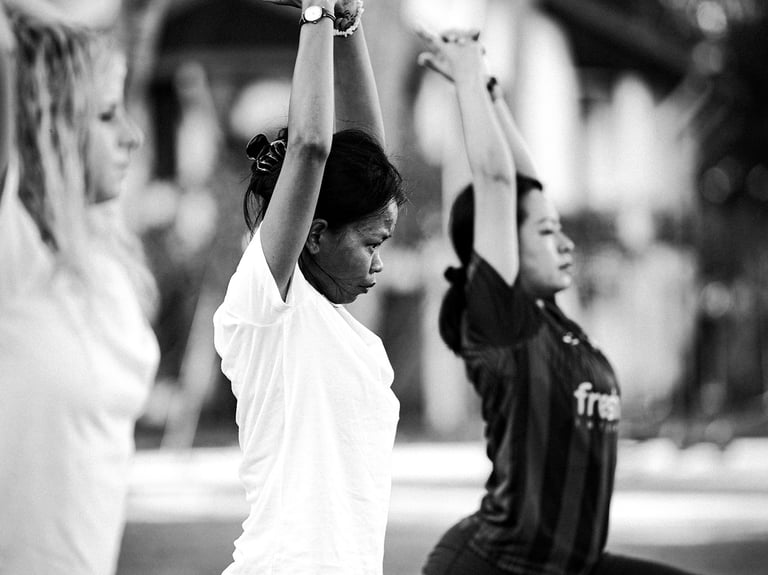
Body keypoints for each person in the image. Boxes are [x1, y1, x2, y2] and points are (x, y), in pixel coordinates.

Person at [417, 29, 698, 575]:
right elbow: (498, 182)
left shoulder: (554, 324)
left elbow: (526, 185)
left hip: (574, 565)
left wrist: (491, 94)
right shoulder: (503, 321)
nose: (566, 243)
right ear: (501, 248)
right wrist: (467, 78)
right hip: (497, 566)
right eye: (547, 233)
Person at [212, 0, 406, 573]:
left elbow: (364, 153)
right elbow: (311, 148)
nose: (378, 264)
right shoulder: (269, 303)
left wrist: (348, 21)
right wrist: (317, 13)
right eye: (371, 244)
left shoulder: (334, 325)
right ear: (316, 234)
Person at [0, 2, 159, 574]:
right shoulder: (12, 255)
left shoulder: (102, 256)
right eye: (107, 114)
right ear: (49, 120)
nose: (132, 136)